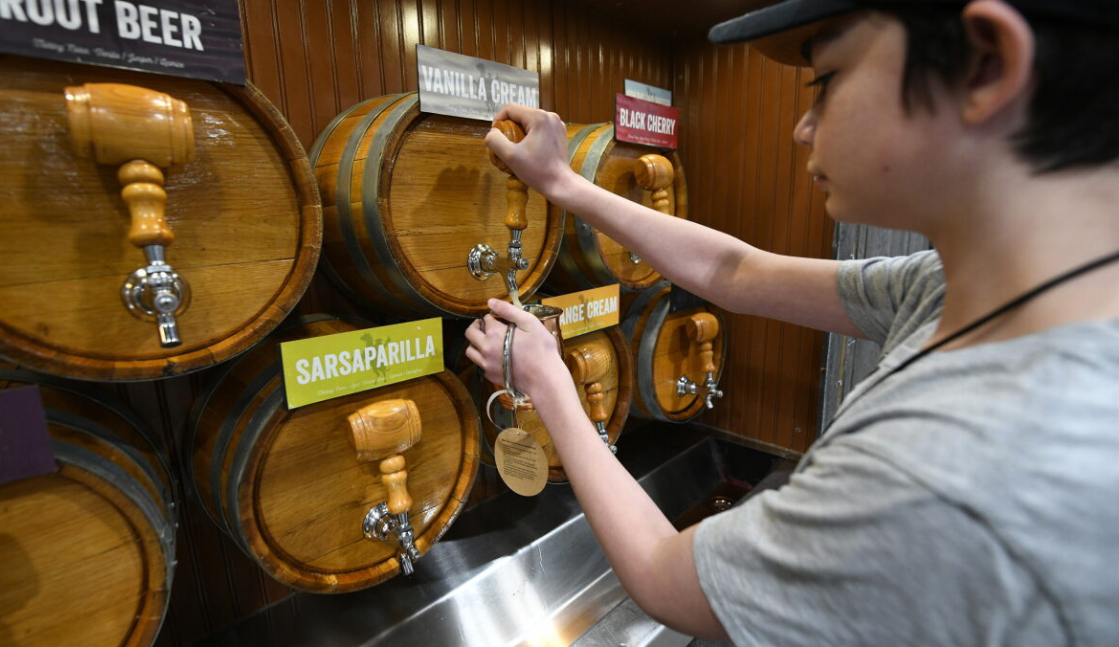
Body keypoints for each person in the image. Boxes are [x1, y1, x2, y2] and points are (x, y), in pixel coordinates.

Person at [463, 0, 1119, 644]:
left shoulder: (942, 471)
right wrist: (564, 182)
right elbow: (735, 273)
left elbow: (668, 579)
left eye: (826, 81)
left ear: (985, 66)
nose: (804, 127)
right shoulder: (957, 286)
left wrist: (548, 383)